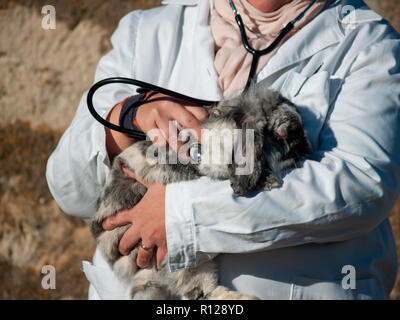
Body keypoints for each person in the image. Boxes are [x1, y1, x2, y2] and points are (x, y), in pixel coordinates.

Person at [46, 0, 400, 300]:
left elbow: (363, 183)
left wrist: (180, 215)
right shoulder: (147, 32)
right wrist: (122, 121)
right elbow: (69, 189)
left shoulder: (368, 46)